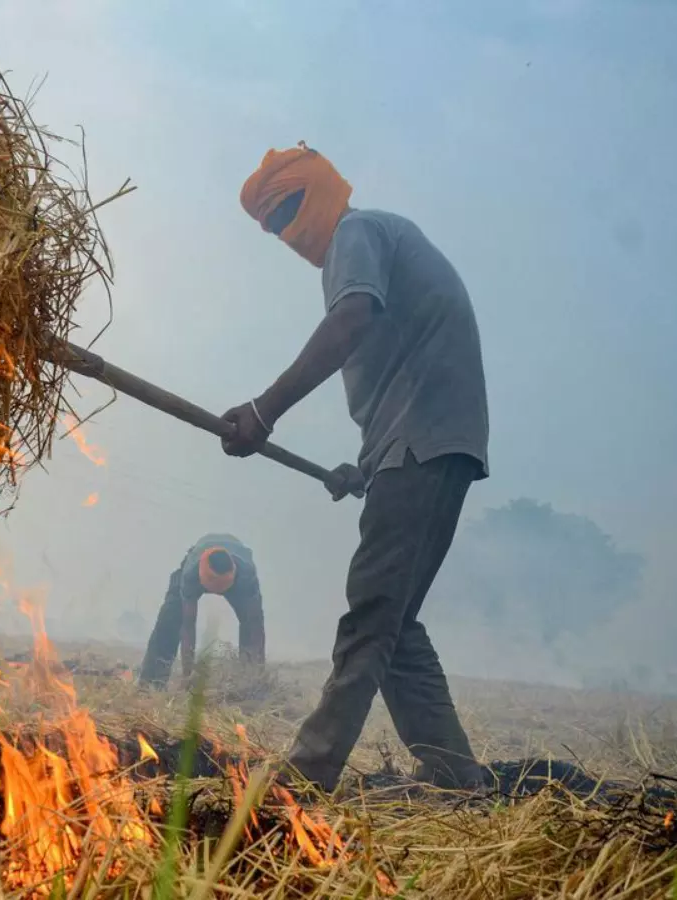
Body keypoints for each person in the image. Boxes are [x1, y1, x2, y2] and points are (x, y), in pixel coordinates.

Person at [219, 143, 491, 793]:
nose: (287, 231)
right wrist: (364, 469)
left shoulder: (356, 232)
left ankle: (305, 774)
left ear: (319, 190)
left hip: (421, 447)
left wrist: (265, 409)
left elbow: (350, 322)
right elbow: (402, 369)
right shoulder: (374, 238)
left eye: (288, 209)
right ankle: (457, 777)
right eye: (273, 225)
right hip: (422, 448)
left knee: (371, 616)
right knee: (394, 623)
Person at [138, 533, 264, 688]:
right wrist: (188, 675)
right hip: (198, 564)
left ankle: (251, 683)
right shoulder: (191, 574)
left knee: (252, 628)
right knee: (170, 618)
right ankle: (151, 683)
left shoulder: (245, 576)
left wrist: (257, 672)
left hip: (238, 576)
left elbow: (255, 627)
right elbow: (187, 625)